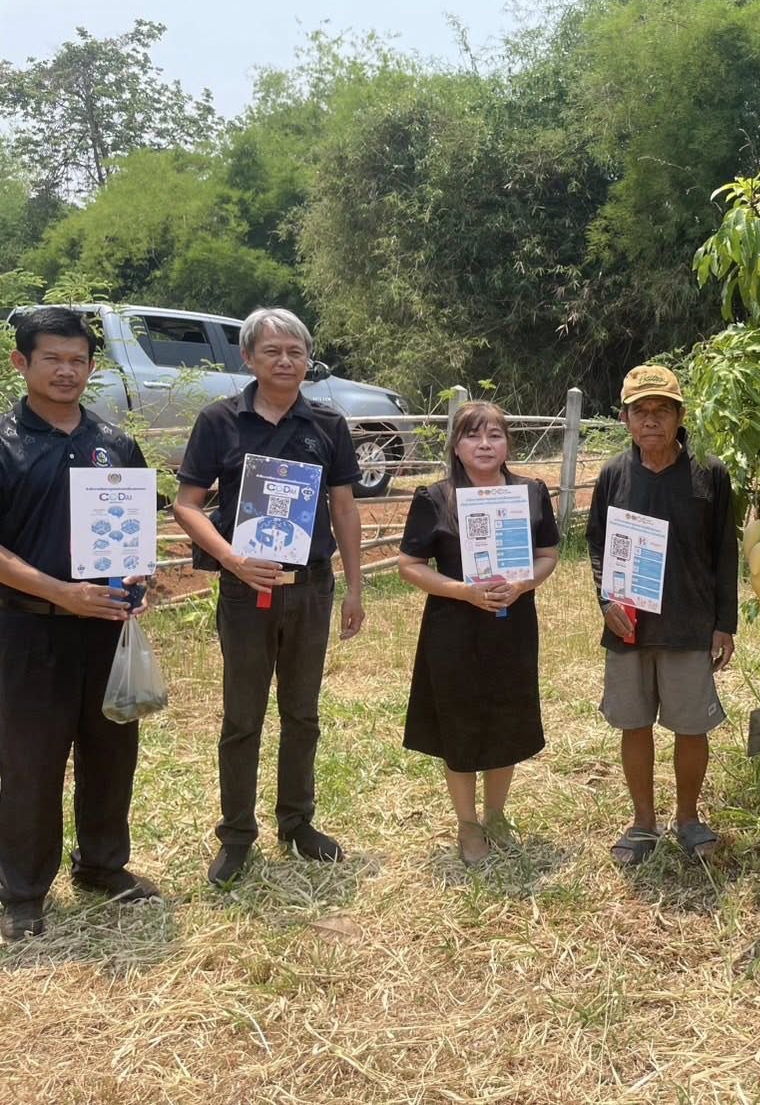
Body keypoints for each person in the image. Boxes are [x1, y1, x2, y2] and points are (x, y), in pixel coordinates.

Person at [173, 307, 366, 888]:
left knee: (302, 712)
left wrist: (355, 586)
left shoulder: (327, 424)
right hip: (243, 590)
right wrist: (232, 557)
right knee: (242, 716)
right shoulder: (219, 421)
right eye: (273, 352)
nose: (286, 362)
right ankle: (236, 835)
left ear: (309, 360)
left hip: (309, 590)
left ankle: (297, 823)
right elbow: (187, 503)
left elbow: (344, 507)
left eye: (297, 353)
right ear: (248, 358)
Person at [0, 306, 160, 940]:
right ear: (22, 363)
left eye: (78, 360)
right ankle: (21, 888)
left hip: (105, 629)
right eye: (53, 359)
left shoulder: (113, 443)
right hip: (27, 629)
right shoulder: (4, 442)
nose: (67, 371)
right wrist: (59, 592)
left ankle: (100, 865)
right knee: (30, 760)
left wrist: (136, 580)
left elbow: (137, 532)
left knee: (111, 749)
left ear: (92, 367)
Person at [587, 364, 738, 866]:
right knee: (635, 724)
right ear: (626, 419)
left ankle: (689, 819)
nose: (650, 420)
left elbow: (725, 552)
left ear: (679, 417)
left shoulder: (709, 474)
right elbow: (596, 546)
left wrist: (725, 623)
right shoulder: (613, 475)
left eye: (661, 410)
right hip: (630, 625)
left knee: (690, 726)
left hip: (690, 623)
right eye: (640, 411)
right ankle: (643, 822)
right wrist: (607, 602)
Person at [397, 402, 560, 863]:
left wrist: (526, 581)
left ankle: (496, 815)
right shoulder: (435, 496)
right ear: (455, 444)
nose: (484, 445)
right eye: (472, 436)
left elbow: (549, 553)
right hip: (454, 626)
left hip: (513, 625)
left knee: (508, 713)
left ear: (508, 443)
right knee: (460, 719)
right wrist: (463, 592)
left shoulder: (531, 492)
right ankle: (467, 825)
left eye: (494, 435)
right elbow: (409, 566)